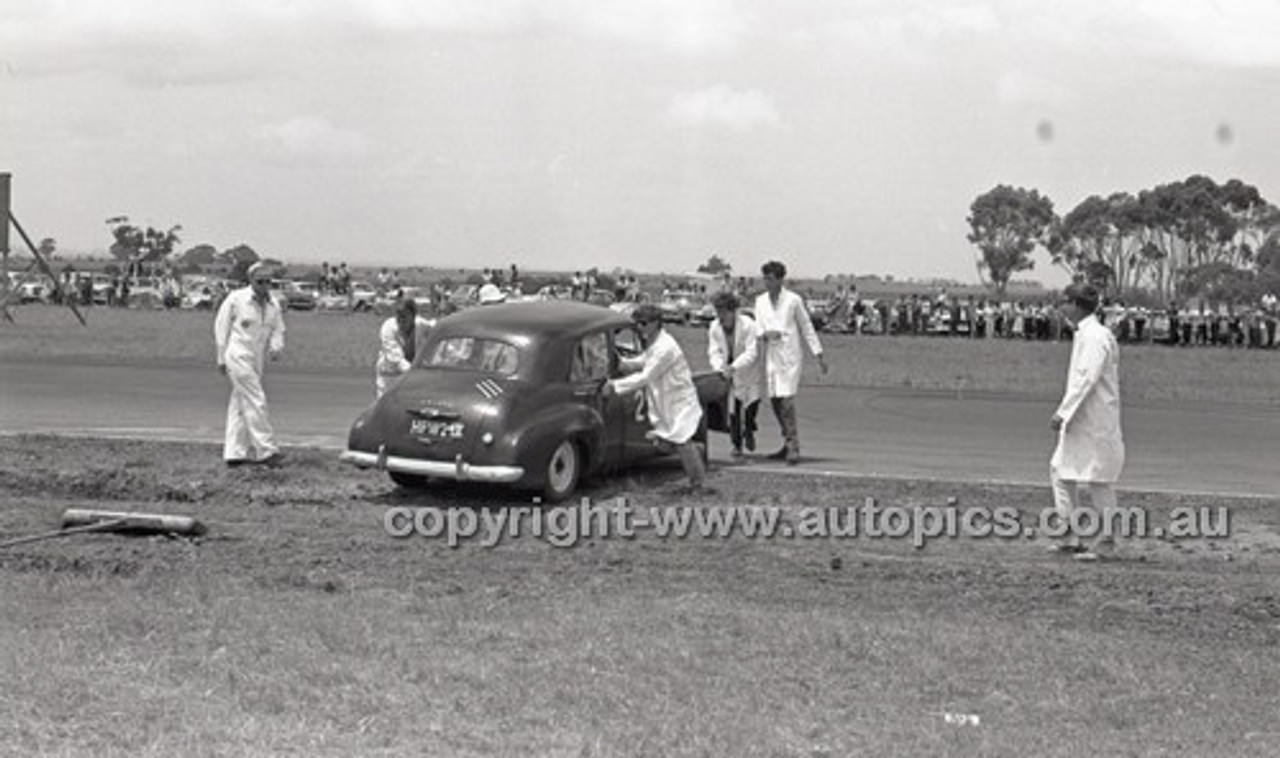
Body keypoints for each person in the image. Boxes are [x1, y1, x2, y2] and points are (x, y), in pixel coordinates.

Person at [1049, 283, 1124, 561]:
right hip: (1082, 420)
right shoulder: (1085, 334)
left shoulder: (1096, 336)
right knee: (1060, 470)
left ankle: (1107, 541)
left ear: (1076, 304)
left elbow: (1087, 379)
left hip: (1095, 420)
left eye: (1064, 302)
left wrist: (1063, 411)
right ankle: (1069, 537)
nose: (1061, 308)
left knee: (1099, 480)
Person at [605, 304, 708, 492]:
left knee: (683, 442)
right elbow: (644, 360)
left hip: (680, 401)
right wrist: (622, 363)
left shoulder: (665, 347)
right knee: (670, 442)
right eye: (638, 324)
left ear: (656, 323)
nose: (640, 327)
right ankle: (696, 458)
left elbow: (646, 376)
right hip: (668, 401)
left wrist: (614, 386)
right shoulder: (656, 343)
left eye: (644, 323)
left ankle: (698, 485)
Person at [753, 260, 828, 465]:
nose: (766, 282)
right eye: (764, 278)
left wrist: (818, 354)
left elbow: (806, 327)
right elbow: (757, 327)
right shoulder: (760, 301)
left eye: (770, 278)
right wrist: (765, 333)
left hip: (790, 356)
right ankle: (786, 443)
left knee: (786, 400)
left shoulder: (793, 300)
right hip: (772, 356)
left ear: (780, 279)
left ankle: (794, 446)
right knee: (776, 401)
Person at [214, 261, 286, 468]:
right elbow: (221, 327)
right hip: (238, 353)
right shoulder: (236, 299)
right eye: (260, 281)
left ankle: (234, 453)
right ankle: (267, 450)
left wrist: (276, 347)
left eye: (268, 281)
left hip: (258, 356)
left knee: (240, 403)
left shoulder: (274, 304)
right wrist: (221, 356)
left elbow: (278, 329)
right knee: (256, 399)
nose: (264, 285)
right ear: (251, 280)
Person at [706, 291, 761, 458]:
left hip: (747, 370)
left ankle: (749, 429)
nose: (719, 315)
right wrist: (719, 367)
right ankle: (737, 444)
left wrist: (735, 366)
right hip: (728, 372)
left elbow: (752, 352)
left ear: (733, 311)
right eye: (717, 311)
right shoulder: (714, 326)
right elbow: (713, 351)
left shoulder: (748, 325)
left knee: (751, 405)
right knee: (734, 410)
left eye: (723, 311)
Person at [375, 298, 433, 399]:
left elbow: (437, 327)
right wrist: (417, 374)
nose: (400, 320)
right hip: (389, 376)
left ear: (413, 316)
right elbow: (396, 358)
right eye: (398, 316)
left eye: (404, 316)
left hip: (412, 376)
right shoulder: (388, 328)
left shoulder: (421, 325)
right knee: (386, 408)